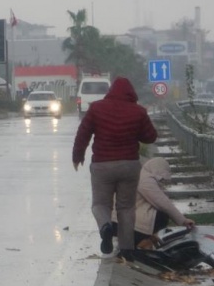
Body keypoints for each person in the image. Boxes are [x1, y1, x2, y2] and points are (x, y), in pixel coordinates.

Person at [72, 77, 158, 257]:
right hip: (129, 165)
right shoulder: (138, 111)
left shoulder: (96, 108)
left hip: (102, 165)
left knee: (100, 204)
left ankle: (105, 227)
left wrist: (77, 156)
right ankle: (127, 250)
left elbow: (83, 133)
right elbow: (150, 137)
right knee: (126, 208)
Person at [134, 157, 195, 248]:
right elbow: (163, 203)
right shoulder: (146, 180)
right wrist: (183, 220)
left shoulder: (142, 175)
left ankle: (144, 237)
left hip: (126, 217)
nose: (162, 181)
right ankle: (139, 241)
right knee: (162, 215)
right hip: (126, 220)